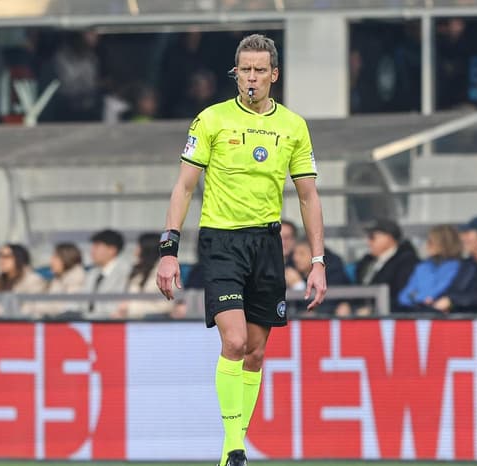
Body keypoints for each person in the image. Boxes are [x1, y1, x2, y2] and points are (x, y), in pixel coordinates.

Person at [155, 34, 326, 466]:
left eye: (259, 70)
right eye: (244, 70)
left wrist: (318, 261)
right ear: (236, 73)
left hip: (267, 243)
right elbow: (184, 187)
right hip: (221, 241)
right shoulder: (211, 120)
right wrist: (168, 249)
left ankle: (231, 451)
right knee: (234, 341)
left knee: (256, 351)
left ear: (274, 75)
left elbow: (308, 196)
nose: (251, 77)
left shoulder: (293, 126)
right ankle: (234, 447)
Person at [397, 225, 477, 314]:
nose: (427, 245)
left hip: (446, 318)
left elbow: (437, 292)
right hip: (420, 316)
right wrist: (422, 298)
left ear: (445, 243)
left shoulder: (463, 268)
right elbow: (404, 297)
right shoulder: (422, 267)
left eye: (431, 242)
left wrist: (416, 295)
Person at [353, 218, 419, 314]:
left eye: (372, 237)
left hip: (391, 317)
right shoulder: (366, 262)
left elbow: (403, 296)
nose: (369, 242)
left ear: (389, 238)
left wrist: (373, 310)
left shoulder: (407, 262)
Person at [114, 233, 175, 319]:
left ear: (147, 250)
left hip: (153, 322)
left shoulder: (166, 273)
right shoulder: (137, 270)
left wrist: (130, 308)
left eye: (138, 247)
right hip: (131, 319)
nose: (135, 251)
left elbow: (166, 306)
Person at [287, 238, 351, 316]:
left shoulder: (333, 271)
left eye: (302, 254)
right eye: (294, 253)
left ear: (315, 255)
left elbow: (326, 304)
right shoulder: (290, 268)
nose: (295, 258)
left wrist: (298, 285)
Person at [0, 243, 46, 316]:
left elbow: (32, 309)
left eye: (6, 257)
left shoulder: (33, 279)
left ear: (19, 258)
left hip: (21, 321)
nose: (1, 260)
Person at [31, 242, 87, 318]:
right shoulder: (58, 280)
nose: (51, 261)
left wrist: (37, 307)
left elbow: (64, 308)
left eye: (55, 257)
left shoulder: (76, 281)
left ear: (67, 258)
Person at [84, 229, 132, 318]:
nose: (92, 251)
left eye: (96, 246)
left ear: (112, 250)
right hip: (89, 321)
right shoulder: (92, 272)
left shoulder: (126, 272)